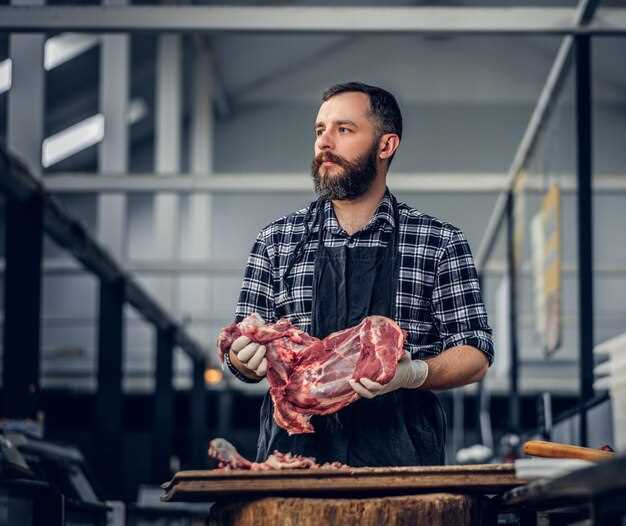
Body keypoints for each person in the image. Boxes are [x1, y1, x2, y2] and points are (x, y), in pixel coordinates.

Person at [222, 82, 494, 467]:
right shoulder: (276, 240)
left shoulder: (439, 242)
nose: (324, 143)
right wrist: (241, 361)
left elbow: (475, 352)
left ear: (386, 146)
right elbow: (243, 345)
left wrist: (414, 373)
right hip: (294, 458)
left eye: (343, 130)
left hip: (400, 460)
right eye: (320, 130)